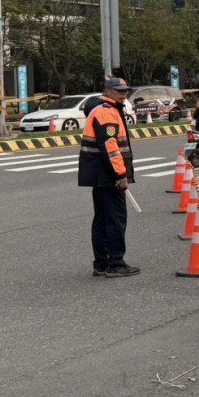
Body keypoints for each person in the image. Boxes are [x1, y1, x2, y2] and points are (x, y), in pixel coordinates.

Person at [78, 77, 138, 277]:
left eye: (126, 91)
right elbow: (110, 147)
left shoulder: (103, 109)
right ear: (108, 91)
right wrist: (120, 174)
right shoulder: (107, 112)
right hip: (108, 175)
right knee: (115, 219)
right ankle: (116, 263)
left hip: (99, 174)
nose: (124, 95)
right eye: (120, 91)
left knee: (103, 219)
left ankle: (101, 263)